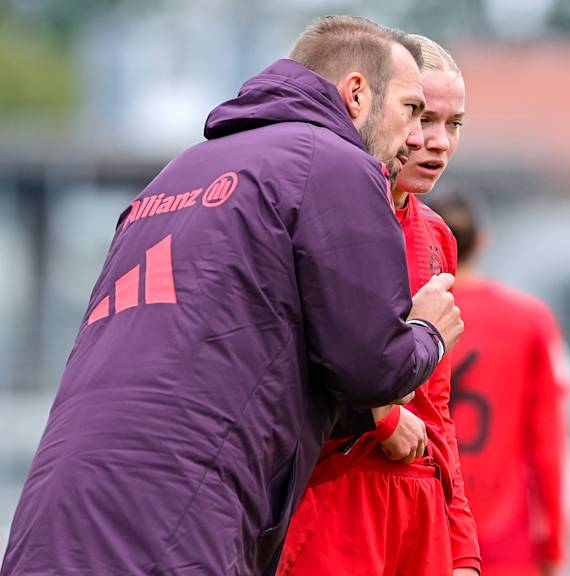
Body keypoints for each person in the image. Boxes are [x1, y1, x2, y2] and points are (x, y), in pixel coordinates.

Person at [0, 15, 463, 576]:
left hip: (53, 517)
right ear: (357, 95)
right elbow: (371, 369)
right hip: (174, 520)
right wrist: (428, 333)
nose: (416, 138)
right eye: (412, 110)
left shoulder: (175, 175)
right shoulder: (335, 161)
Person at [277, 35, 480, 576]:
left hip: (417, 505)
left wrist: (461, 546)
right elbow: (294, 352)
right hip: (330, 493)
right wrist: (383, 412)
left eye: (453, 124)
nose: (433, 140)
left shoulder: (436, 236)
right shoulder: (320, 208)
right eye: (420, 115)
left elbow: (438, 408)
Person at [432, 192, 570, 576]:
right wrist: (554, 544)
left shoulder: (408, 316)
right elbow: (548, 440)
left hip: (426, 530)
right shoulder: (532, 320)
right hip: (507, 538)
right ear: (482, 241)